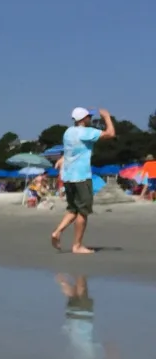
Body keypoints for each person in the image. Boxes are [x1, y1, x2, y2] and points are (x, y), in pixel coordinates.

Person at [51, 106, 115, 254]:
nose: (90, 119)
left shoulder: (68, 132)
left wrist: (61, 160)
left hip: (68, 176)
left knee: (73, 209)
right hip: (81, 176)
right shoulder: (86, 132)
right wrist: (107, 117)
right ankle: (77, 245)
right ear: (84, 119)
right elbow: (110, 134)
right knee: (83, 212)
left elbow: (69, 151)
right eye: (89, 117)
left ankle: (57, 232)